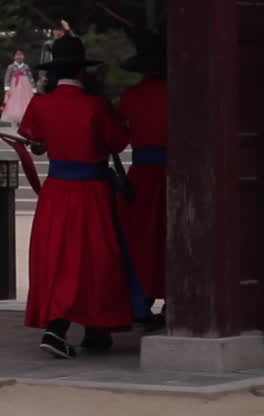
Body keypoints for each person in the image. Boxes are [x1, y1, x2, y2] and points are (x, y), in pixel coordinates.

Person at [20, 35, 144, 359]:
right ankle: (92, 327)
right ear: (82, 70)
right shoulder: (95, 105)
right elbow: (118, 142)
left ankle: (66, 326)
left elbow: (35, 141)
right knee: (96, 259)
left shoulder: (40, 104)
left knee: (58, 258)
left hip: (57, 190)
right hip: (92, 192)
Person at [117, 29, 167, 326]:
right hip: (180, 176)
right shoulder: (185, 94)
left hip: (142, 176)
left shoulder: (131, 97)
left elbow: (118, 140)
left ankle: (140, 300)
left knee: (140, 241)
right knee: (174, 240)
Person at [1, 49, 35, 126]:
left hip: (25, 87)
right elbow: (7, 77)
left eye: (21, 55)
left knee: (25, 101)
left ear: (24, 56)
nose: (19, 56)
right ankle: (15, 119)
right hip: (14, 87)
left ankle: (24, 118)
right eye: (17, 55)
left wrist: (33, 88)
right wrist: (7, 88)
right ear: (14, 57)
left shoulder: (26, 66)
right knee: (14, 102)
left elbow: (30, 77)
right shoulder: (11, 67)